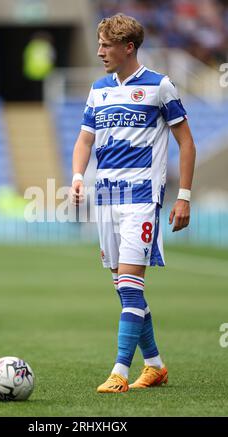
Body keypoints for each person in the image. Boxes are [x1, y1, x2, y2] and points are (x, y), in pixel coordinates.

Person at [70, 13, 196, 393]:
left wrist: (184, 196)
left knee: (129, 285)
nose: (99, 52)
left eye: (107, 45)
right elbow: (84, 140)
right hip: (105, 200)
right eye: (99, 44)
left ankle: (120, 372)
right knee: (124, 289)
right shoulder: (99, 90)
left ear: (128, 48)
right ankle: (155, 365)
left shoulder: (160, 87)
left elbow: (186, 143)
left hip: (141, 198)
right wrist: (77, 177)